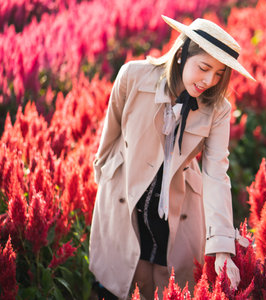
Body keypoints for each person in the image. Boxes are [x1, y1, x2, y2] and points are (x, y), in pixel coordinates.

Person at [88, 15, 254, 299]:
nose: (209, 81)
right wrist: (106, 178)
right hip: (125, 198)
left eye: (218, 74)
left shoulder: (218, 109)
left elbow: (216, 172)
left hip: (175, 205)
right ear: (182, 54)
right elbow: (110, 135)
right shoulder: (132, 76)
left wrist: (223, 247)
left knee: (167, 284)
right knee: (119, 280)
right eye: (204, 68)